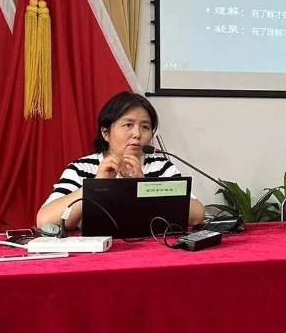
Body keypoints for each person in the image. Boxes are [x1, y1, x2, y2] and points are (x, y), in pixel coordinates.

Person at [36, 92, 205, 231]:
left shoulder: (160, 167)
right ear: (105, 132)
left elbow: (197, 215)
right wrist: (96, 186)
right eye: (128, 125)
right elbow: (45, 220)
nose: (137, 134)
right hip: (98, 253)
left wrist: (144, 187)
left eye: (145, 127)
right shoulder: (81, 168)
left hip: (152, 250)